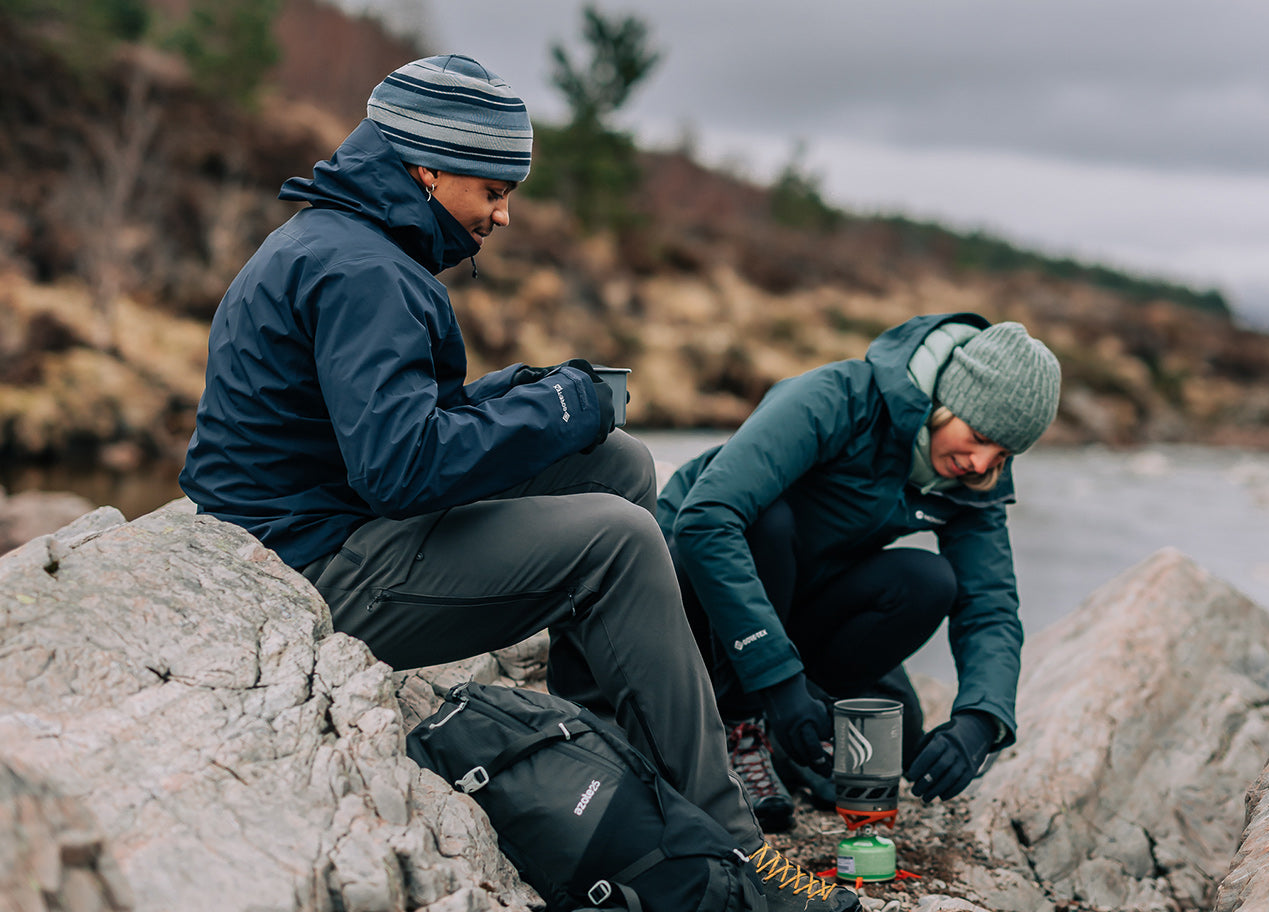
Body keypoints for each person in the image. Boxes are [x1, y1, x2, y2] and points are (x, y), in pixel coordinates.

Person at [179, 54, 857, 912]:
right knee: (617, 539)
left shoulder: (350, 244)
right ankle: (737, 853)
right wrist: (559, 406)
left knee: (617, 466)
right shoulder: (365, 274)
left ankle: (615, 750)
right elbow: (401, 466)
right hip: (305, 572)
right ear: (426, 166)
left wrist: (540, 396)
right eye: (493, 189)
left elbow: (388, 423)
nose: (504, 213)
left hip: (325, 520)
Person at [658, 313, 1060, 832]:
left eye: (1003, 454)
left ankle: (793, 730)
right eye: (979, 435)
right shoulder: (839, 398)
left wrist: (981, 721)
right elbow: (706, 520)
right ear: (945, 400)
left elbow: (989, 606)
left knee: (928, 586)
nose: (982, 464)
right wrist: (778, 682)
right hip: (696, 586)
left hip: (799, 597)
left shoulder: (966, 483)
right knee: (770, 518)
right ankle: (741, 724)